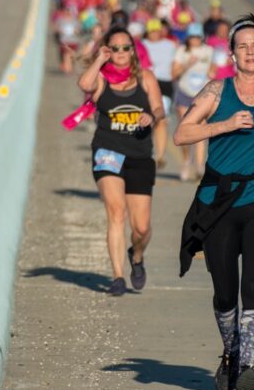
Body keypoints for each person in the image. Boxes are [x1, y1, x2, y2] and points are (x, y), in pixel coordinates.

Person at [175, 14, 254, 390]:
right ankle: (231, 350)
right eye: (242, 46)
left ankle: (246, 371)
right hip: (219, 202)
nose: (250, 52)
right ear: (232, 53)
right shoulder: (215, 91)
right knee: (225, 292)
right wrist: (222, 125)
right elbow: (182, 133)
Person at [78, 26, 165, 296]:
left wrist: (152, 116)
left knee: (141, 227)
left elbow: (160, 108)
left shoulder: (146, 78)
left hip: (139, 154)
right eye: (114, 48)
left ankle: (136, 256)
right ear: (107, 50)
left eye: (125, 48)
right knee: (116, 213)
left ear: (133, 51)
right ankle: (117, 277)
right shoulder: (101, 79)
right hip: (108, 151)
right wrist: (99, 60)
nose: (120, 53)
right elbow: (84, 85)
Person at [171, 23, 213, 181]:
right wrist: (188, 64)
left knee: (201, 131)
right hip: (184, 93)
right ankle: (186, 161)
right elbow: (173, 73)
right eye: (192, 37)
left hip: (201, 96)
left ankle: (200, 165)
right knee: (185, 130)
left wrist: (214, 72)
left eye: (197, 37)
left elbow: (214, 69)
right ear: (188, 38)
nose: (194, 40)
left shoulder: (208, 51)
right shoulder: (181, 51)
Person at [142, 18, 177, 168]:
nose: (155, 33)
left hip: (164, 83)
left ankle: (160, 156)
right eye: (152, 31)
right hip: (146, 82)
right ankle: (146, 150)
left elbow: (177, 63)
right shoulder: (142, 45)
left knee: (161, 119)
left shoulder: (170, 45)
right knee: (146, 119)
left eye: (157, 30)